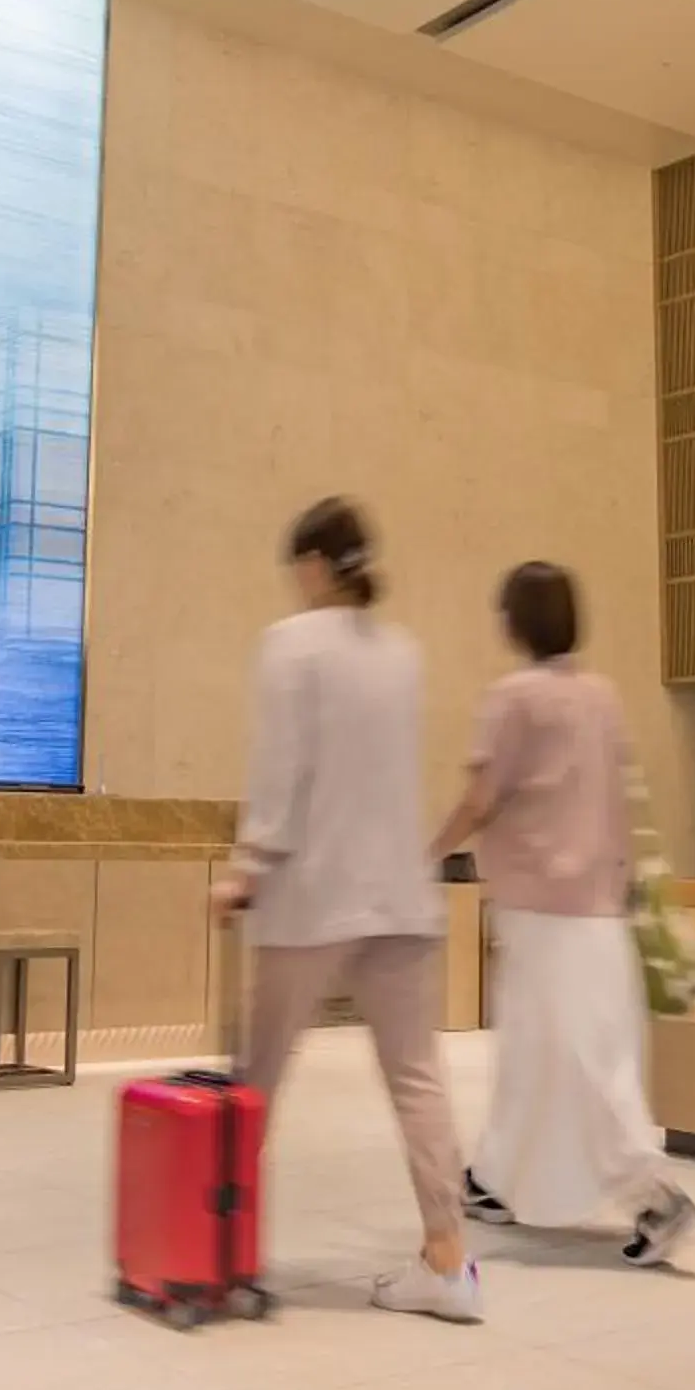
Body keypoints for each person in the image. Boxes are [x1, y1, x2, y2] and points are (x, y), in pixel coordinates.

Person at [216, 497, 480, 1322]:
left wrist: (246, 863)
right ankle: (448, 1263)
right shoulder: (402, 652)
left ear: (316, 565)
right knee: (418, 1079)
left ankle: (220, 1251)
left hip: (311, 891)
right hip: (399, 894)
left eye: (297, 566)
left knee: (258, 1078)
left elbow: (281, 770)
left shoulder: (291, 645)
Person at [429, 562, 695, 1267]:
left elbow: (481, 798)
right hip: (601, 909)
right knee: (540, 1055)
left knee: (576, 1062)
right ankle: (492, 1179)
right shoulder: (602, 698)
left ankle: (656, 1195)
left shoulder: (513, 698)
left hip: (544, 911)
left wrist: (425, 850)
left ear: (516, 622)